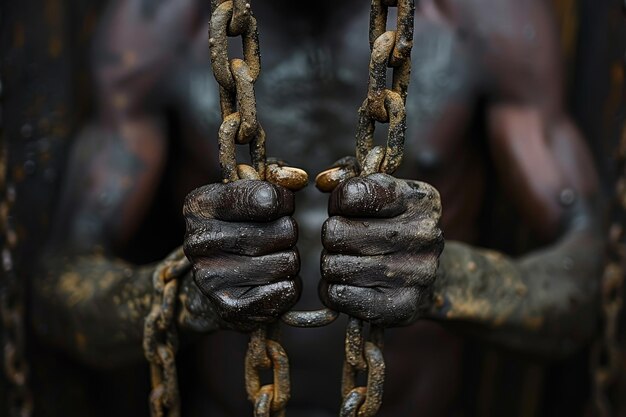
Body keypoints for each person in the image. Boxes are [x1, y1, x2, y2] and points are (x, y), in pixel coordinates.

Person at [3, 0, 606, 416]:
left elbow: (591, 281)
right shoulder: (155, 29)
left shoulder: (484, 22)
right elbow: (57, 291)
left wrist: (455, 282)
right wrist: (183, 295)